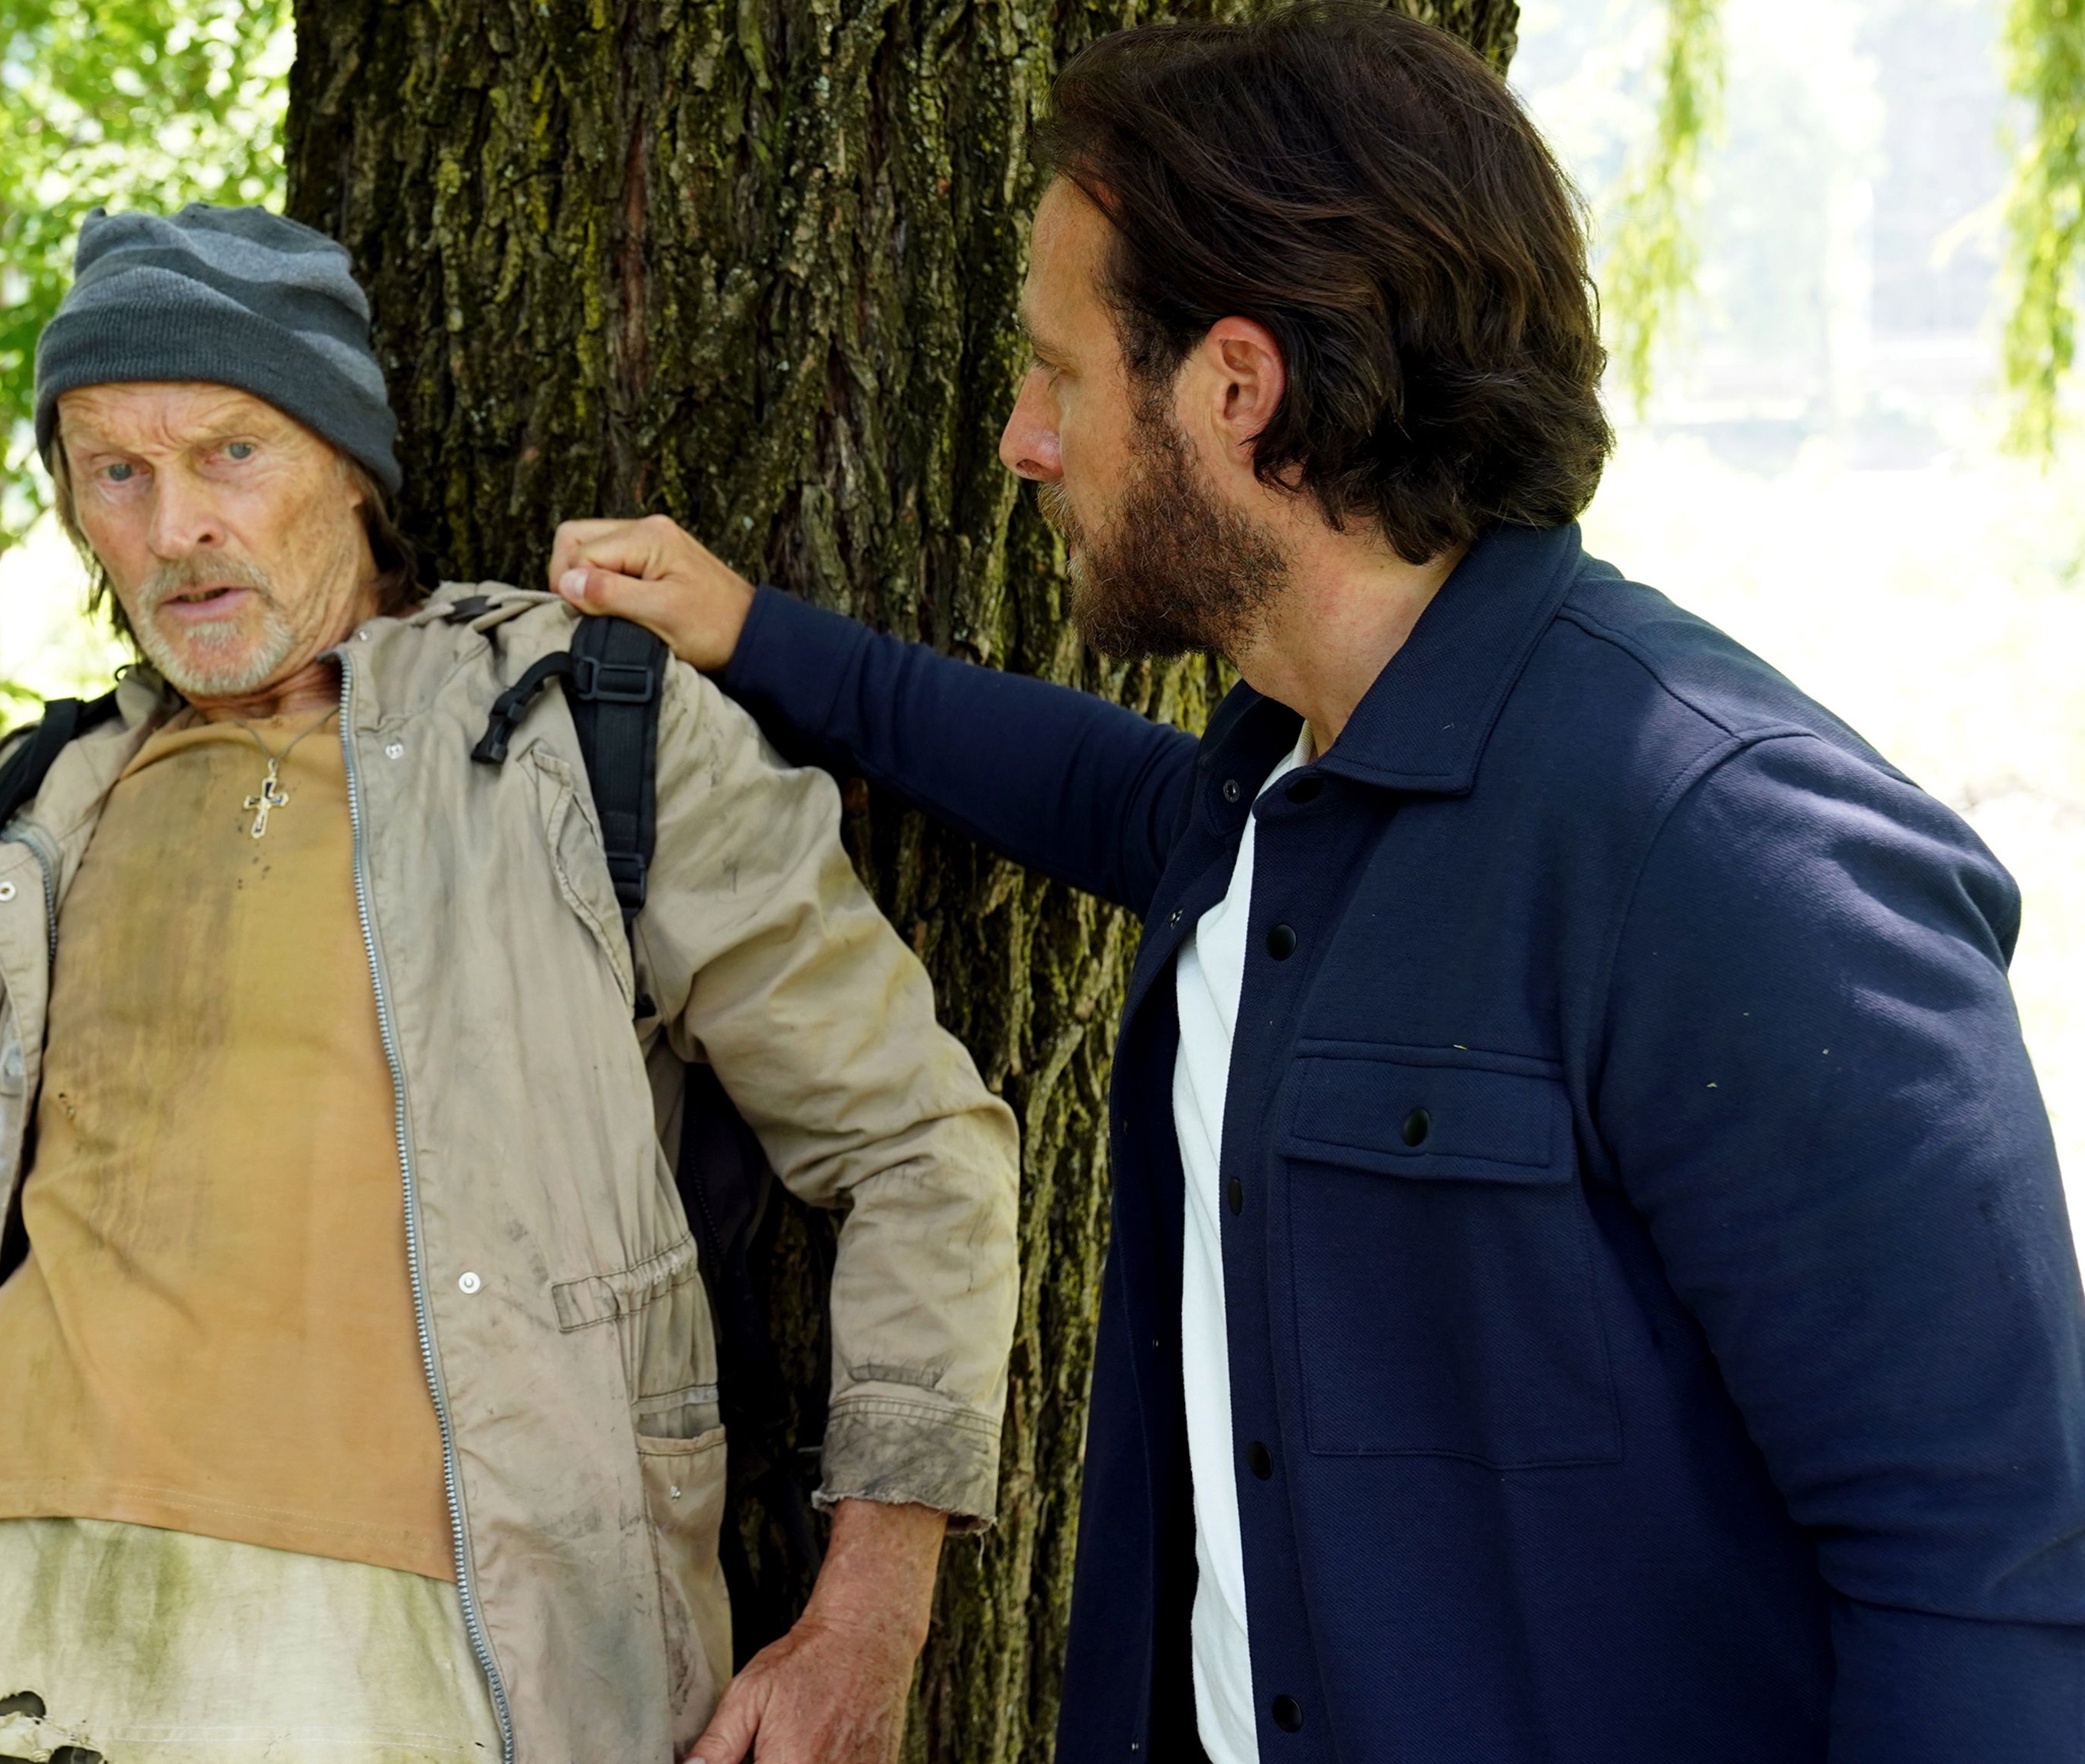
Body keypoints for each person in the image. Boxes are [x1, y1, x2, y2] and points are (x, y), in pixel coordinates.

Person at [548, 7, 2085, 1761]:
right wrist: (755, 634)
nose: (1023, 441)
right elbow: (1083, 784)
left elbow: (1992, 1584)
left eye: (1058, 374)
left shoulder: (1732, 858)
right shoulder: (1271, 790)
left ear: (1237, 388)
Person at [0, 202, 1023, 1764]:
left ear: (349, 464)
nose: (176, 527)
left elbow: (913, 1143)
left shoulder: (584, 729)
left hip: (415, 1678)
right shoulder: (42, 802)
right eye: (114, 473)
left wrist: (868, 1614)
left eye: (232, 453)